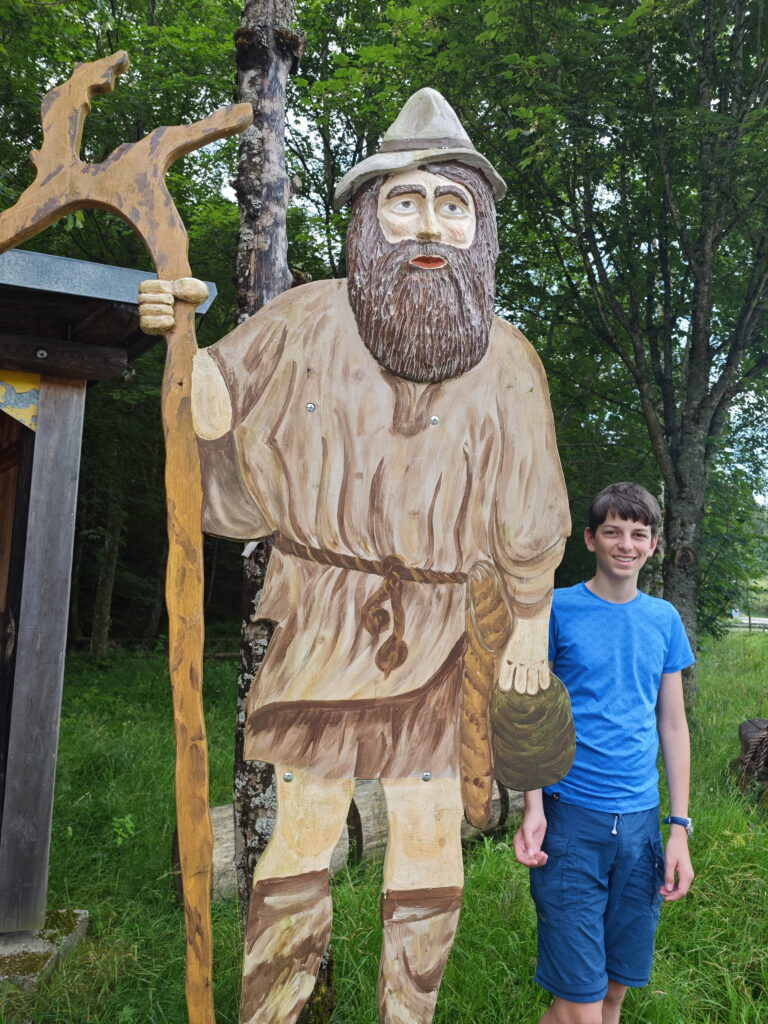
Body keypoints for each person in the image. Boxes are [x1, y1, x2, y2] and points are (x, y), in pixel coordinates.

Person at [141, 88, 572, 1024]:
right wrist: (178, 335)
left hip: (443, 631)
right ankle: (278, 1009)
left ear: (481, 227)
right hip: (319, 618)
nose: (429, 226)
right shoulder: (302, 320)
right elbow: (211, 416)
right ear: (369, 218)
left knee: (427, 831)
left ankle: (405, 1016)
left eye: (452, 205)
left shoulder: (509, 359)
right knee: (300, 831)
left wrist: (530, 627)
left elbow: (532, 514)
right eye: (405, 202)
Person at [514, 481, 695, 1024]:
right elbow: (530, 715)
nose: (626, 544)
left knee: (611, 994)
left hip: (640, 829)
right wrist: (533, 806)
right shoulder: (555, 611)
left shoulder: (664, 619)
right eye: (612, 531)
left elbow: (673, 724)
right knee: (581, 1005)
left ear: (653, 545)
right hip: (570, 821)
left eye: (639, 534)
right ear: (590, 539)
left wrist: (678, 828)